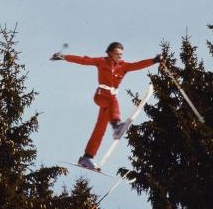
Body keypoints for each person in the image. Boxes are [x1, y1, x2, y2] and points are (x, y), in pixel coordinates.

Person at [51, 42, 161, 170]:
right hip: (101, 96)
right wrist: (64, 57)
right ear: (110, 53)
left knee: (100, 128)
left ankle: (87, 157)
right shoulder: (102, 61)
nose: (120, 56)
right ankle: (116, 125)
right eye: (117, 54)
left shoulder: (124, 66)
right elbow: (83, 60)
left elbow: (137, 65)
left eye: (121, 54)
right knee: (112, 101)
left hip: (111, 99)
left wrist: (154, 60)